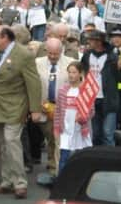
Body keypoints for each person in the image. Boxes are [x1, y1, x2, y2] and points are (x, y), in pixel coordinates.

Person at [0, 26, 42, 200]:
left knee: (12, 142)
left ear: (5, 37)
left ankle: (20, 183)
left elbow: (33, 83)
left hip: (15, 105)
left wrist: (35, 109)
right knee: (3, 144)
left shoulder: (24, 55)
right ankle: (7, 181)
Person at [80, 30, 121, 146]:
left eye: (91, 39)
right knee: (96, 134)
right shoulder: (87, 55)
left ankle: (110, 160)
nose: (89, 41)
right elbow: (82, 73)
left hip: (108, 100)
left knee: (107, 134)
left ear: (99, 42)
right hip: (92, 99)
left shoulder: (112, 57)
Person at [34, 38, 72, 176]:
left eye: (55, 54)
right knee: (50, 137)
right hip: (43, 108)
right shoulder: (37, 63)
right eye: (50, 53)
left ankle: (58, 170)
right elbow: (33, 86)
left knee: (58, 139)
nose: (52, 57)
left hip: (63, 109)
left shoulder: (70, 64)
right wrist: (37, 104)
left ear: (61, 51)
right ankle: (51, 162)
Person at [53, 62, 93, 175]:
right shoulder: (62, 90)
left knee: (81, 159)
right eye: (69, 72)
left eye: (74, 72)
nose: (71, 75)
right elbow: (58, 111)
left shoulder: (86, 91)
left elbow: (91, 112)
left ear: (80, 73)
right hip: (65, 130)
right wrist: (56, 128)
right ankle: (61, 183)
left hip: (80, 131)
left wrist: (82, 118)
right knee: (63, 159)